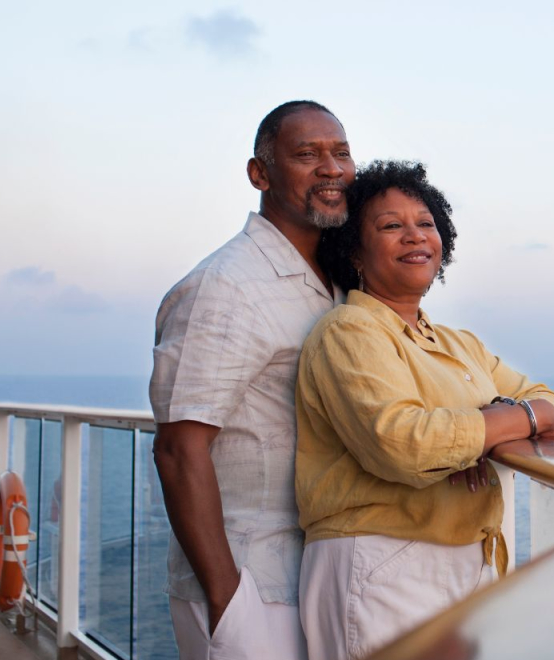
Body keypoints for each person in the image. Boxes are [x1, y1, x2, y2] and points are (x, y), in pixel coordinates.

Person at [295, 160, 554, 659]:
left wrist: (481, 436)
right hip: (383, 562)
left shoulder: (457, 343)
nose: (414, 236)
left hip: (471, 560)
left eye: (425, 223)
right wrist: (510, 421)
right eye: (391, 226)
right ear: (354, 251)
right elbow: (404, 444)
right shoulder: (348, 332)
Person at [150, 100, 355, 659]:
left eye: (340, 152)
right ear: (259, 174)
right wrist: (226, 598)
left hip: (310, 577)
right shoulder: (226, 285)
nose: (331, 168)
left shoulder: (337, 284)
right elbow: (177, 450)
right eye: (307, 154)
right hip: (248, 584)